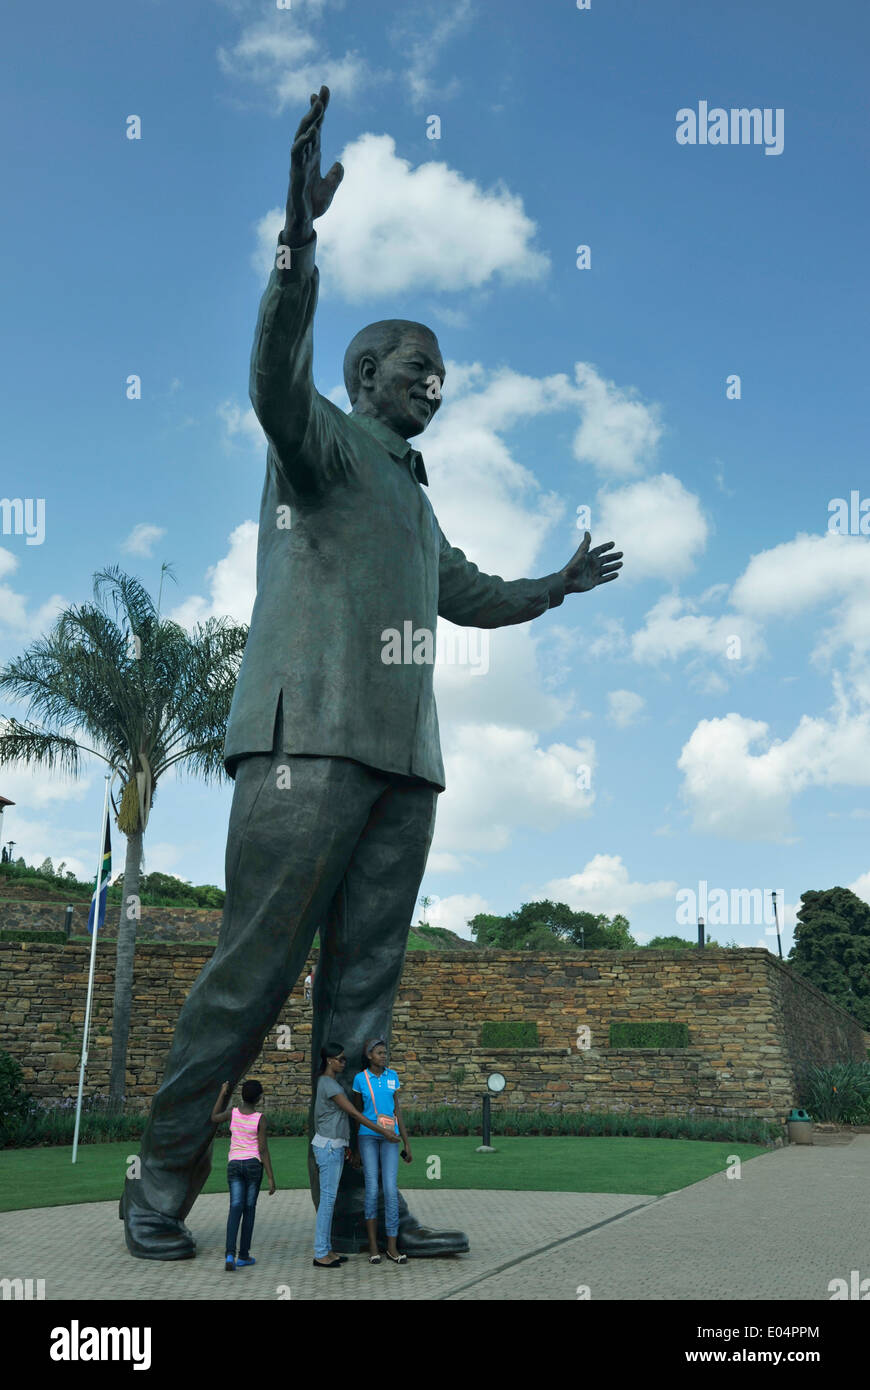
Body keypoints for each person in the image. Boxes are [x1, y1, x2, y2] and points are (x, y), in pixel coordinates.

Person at [120, 85, 622, 1262]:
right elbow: (270, 376)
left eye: (443, 370)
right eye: (417, 364)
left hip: (404, 761)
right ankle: (158, 1182)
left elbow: (473, 592)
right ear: (364, 374)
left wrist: (555, 582)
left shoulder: (413, 497)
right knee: (252, 973)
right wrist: (297, 244)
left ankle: (351, 1205)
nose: (434, 381)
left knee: (364, 1001)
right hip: (306, 744)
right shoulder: (322, 442)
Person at [312, 1040, 400, 1267]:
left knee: (329, 1200)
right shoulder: (328, 1084)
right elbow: (355, 1114)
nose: (344, 1063)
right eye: (340, 1059)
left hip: (335, 1145)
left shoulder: (328, 1082)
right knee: (328, 1201)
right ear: (330, 1061)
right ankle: (321, 1252)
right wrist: (384, 1132)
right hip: (329, 1146)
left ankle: (327, 1250)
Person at [352, 1039, 411, 1264]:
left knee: (389, 1189)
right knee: (372, 1189)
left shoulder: (392, 1077)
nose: (383, 1056)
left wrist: (407, 1142)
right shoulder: (360, 1079)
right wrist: (355, 1148)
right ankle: (374, 1246)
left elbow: (398, 1111)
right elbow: (357, 1113)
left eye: (385, 1052)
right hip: (368, 1137)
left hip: (391, 1138)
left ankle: (392, 1247)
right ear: (369, 1056)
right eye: (379, 1053)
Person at [210, 1079, 276, 1271]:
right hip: (253, 1165)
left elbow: (213, 1117)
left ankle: (230, 1254)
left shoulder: (232, 1113)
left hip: (234, 1166)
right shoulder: (260, 1119)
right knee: (249, 1209)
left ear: (242, 1096)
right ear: (259, 1098)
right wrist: (271, 1177)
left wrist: (222, 1093)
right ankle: (244, 1256)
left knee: (235, 1207)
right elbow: (263, 1150)